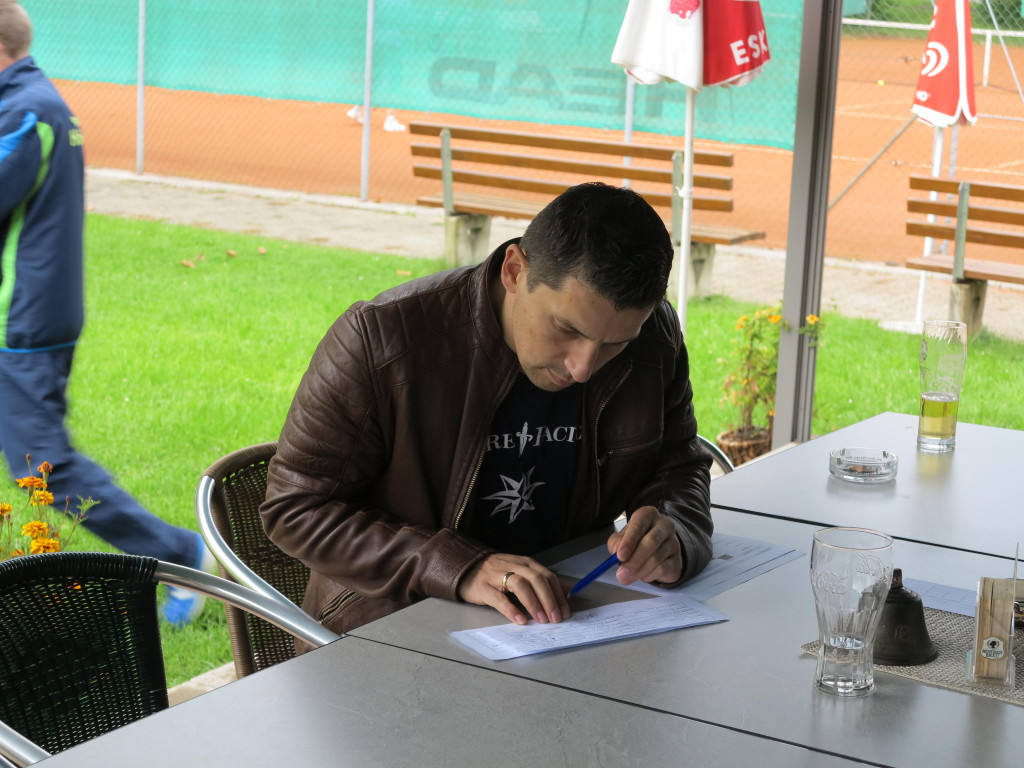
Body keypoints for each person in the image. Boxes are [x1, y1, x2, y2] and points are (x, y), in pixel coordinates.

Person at [262, 181, 713, 636]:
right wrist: (458, 566)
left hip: (569, 619)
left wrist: (674, 531)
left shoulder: (654, 338)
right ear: (515, 271)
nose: (582, 368)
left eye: (614, 345)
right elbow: (294, 508)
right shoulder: (381, 340)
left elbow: (678, 464)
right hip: (395, 624)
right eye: (566, 329)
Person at [0, 1, 212, 625]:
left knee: (43, 468)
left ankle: (180, 554)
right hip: (30, 312)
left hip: (21, 321)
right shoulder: (31, 103)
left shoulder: (29, 110)